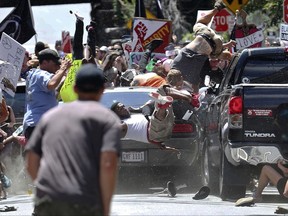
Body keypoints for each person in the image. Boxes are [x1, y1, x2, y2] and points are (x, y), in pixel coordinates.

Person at [25, 63, 121, 216]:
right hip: (84, 201)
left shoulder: (50, 117)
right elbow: (108, 164)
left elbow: (31, 161)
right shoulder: (107, 120)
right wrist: (105, 208)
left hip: (48, 202)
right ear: (102, 90)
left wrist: (46, 190)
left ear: (75, 89)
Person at [171, 0, 236, 94]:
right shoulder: (177, 62)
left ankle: (235, 59)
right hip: (206, 35)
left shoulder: (189, 74)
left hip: (215, 45)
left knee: (216, 55)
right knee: (198, 23)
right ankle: (217, 8)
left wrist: (195, 100)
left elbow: (194, 87)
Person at [23, 48, 72, 140]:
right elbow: (51, 84)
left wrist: (64, 76)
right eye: (56, 64)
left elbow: (54, 93)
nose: (58, 67)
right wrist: (63, 68)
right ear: (45, 63)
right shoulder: (41, 74)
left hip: (35, 124)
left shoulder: (34, 74)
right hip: (39, 124)